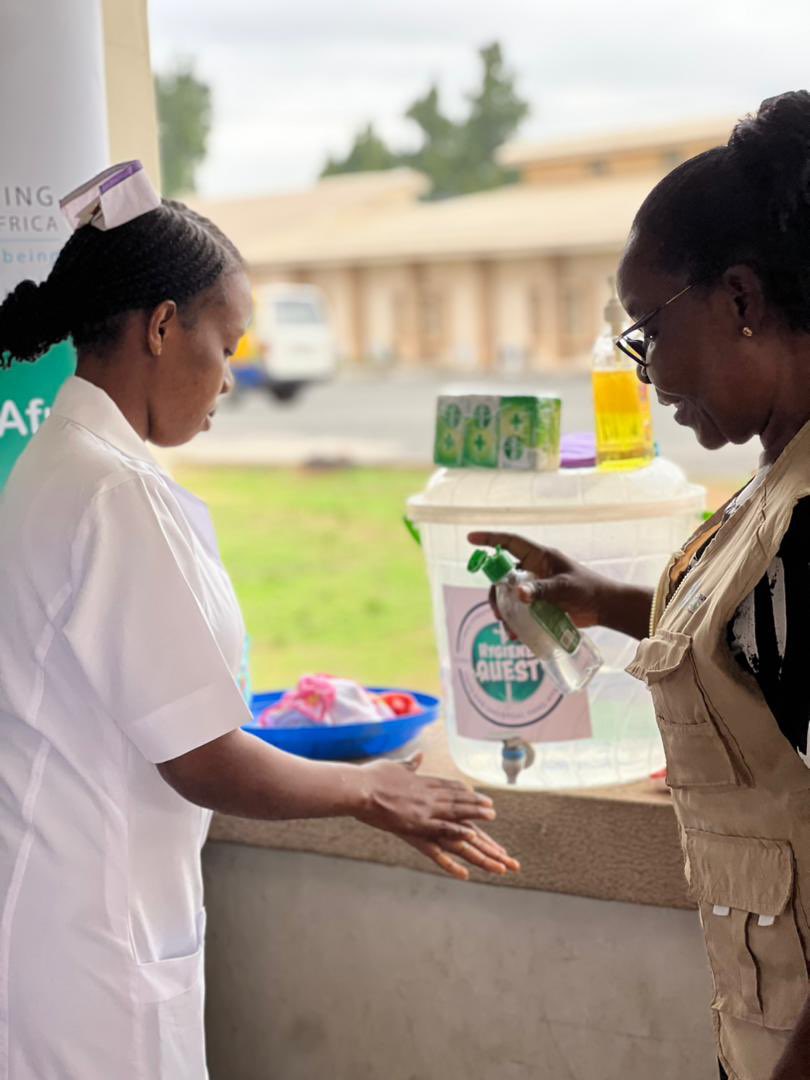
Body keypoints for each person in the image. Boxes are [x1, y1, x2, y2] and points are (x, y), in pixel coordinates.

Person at [0, 166, 518, 1080]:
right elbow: (201, 754)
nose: (231, 379)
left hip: (63, 912)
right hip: (92, 938)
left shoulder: (57, 463)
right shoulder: (112, 494)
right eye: (227, 344)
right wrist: (372, 791)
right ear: (163, 327)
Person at [472, 90, 810, 1080]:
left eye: (648, 332)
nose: (649, 378)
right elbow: (760, 643)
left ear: (742, 301)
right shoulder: (778, 478)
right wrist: (605, 601)